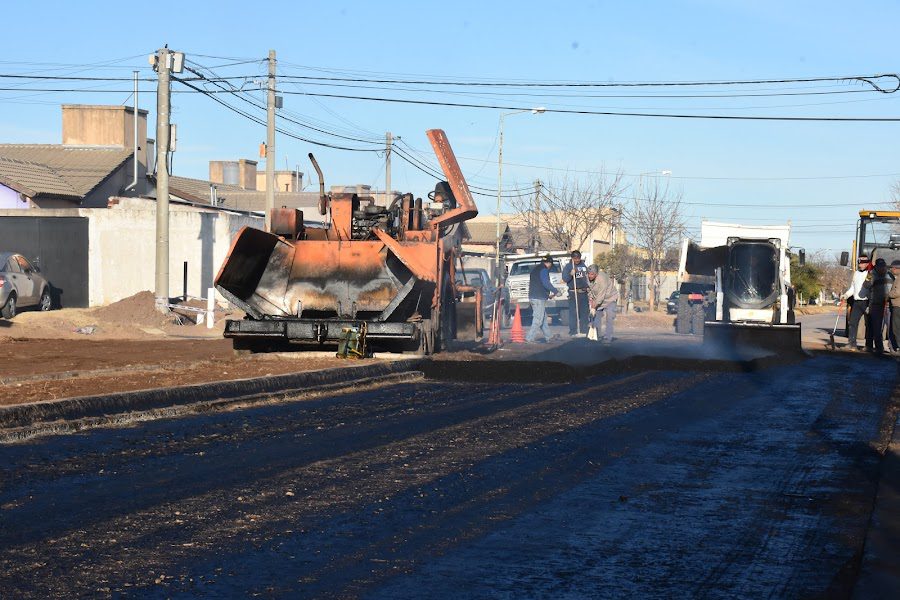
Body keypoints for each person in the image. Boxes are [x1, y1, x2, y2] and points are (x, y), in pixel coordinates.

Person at [840, 254, 872, 351]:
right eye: (859, 262)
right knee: (853, 323)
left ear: (867, 263)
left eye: (863, 262)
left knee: (869, 324)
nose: (860, 264)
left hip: (867, 302)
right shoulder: (856, 273)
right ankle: (852, 344)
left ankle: (869, 345)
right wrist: (846, 295)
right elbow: (853, 288)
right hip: (857, 302)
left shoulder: (870, 274)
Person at [525, 255, 557, 344]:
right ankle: (529, 338)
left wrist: (547, 295)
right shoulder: (544, 270)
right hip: (538, 298)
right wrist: (555, 291)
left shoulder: (536, 269)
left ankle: (549, 336)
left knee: (543, 318)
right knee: (538, 319)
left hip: (534, 296)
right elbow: (545, 282)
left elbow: (538, 284)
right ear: (549, 263)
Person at [868, 257, 894, 354]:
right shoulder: (871, 275)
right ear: (876, 267)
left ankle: (892, 347)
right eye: (879, 267)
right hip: (876, 305)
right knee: (877, 328)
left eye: (883, 267)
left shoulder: (890, 275)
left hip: (888, 305)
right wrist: (868, 278)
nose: (881, 269)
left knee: (891, 328)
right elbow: (866, 286)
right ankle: (879, 348)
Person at [587, 265, 618, 344]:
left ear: (596, 274)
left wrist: (594, 306)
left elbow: (601, 295)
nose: (589, 276)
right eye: (589, 274)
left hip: (609, 298)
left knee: (609, 317)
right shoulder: (587, 277)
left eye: (592, 274)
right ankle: (597, 336)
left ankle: (608, 337)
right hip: (598, 300)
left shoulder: (602, 279)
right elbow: (589, 289)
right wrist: (590, 299)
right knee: (596, 318)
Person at [562, 250, 590, 336]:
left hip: (583, 292)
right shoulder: (568, 266)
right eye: (575, 258)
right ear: (572, 258)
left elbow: (587, 278)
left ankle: (584, 330)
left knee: (584, 313)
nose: (577, 260)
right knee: (573, 313)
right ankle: (573, 331)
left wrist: (588, 287)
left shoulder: (583, 266)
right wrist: (570, 274)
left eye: (578, 258)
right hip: (573, 293)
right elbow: (565, 279)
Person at [888, 260, 900, 354]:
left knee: (896, 328)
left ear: (897, 268)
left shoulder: (899, 279)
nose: (891, 270)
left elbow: (897, 293)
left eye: (892, 268)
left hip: (898, 306)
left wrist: (888, 294)